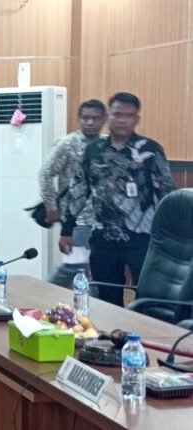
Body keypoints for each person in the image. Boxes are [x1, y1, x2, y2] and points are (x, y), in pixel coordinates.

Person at [60, 92, 176, 307]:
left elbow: (167, 194)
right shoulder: (93, 151)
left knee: (148, 298)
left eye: (128, 115)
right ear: (108, 116)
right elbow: (78, 192)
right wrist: (67, 230)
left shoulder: (150, 151)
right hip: (103, 238)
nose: (122, 120)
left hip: (142, 239)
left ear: (136, 119)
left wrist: (172, 236)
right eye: (117, 114)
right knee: (107, 299)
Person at [38, 99, 106, 289]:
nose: (90, 122)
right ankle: (42, 295)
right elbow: (45, 174)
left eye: (95, 118)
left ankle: (91, 303)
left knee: (94, 269)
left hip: (103, 220)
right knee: (73, 266)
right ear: (79, 119)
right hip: (77, 218)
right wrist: (51, 206)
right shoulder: (68, 144)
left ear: (104, 120)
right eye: (85, 118)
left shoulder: (107, 144)